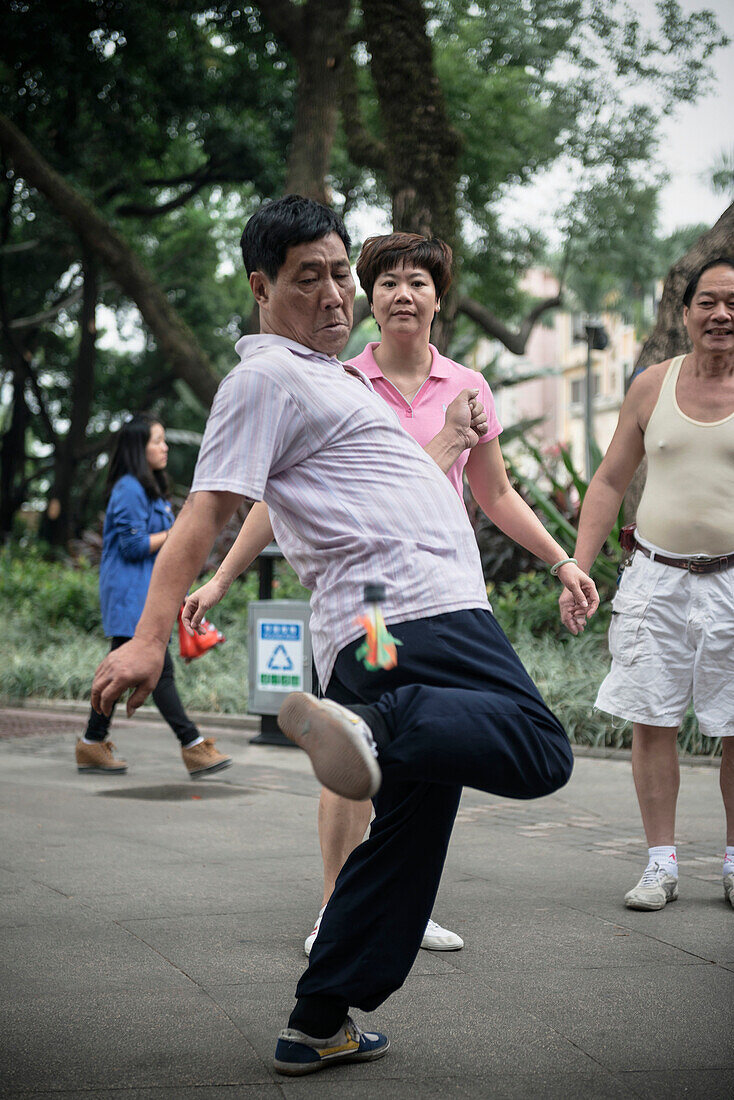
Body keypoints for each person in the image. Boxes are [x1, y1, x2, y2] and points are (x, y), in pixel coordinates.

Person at [91, 196, 599, 1076]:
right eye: (309, 278)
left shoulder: (343, 383)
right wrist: (152, 634)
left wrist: (540, 543)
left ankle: (318, 1016)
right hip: (414, 608)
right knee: (537, 747)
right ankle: (379, 726)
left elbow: (362, 495)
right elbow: (219, 506)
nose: (336, 295)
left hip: (369, 624)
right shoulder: (268, 378)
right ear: (261, 286)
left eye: (338, 275)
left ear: (437, 297)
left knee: (402, 837)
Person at [183, 230, 594, 963]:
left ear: (440, 298)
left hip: (445, 589)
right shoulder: (335, 380)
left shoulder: (468, 388)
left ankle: (398, 903)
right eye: (389, 283)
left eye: (419, 283)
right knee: (368, 738)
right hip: (370, 596)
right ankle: (336, 904)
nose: (403, 294)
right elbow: (273, 500)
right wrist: (220, 576)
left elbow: (495, 493)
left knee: (427, 748)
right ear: (369, 298)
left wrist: (561, 558)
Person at [559, 257, 734, 913]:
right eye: (708, 302)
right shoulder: (650, 386)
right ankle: (660, 864)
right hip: (655, 582)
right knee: (651, 721)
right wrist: (577, 565)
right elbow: (607, 481)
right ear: (686, 313)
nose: (721, 315)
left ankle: (733, 861)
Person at [76, 414, 232, 778]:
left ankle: (92, 742)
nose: (164, 447)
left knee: (121, 671)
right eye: (157, 441)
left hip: (145, 595)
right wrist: (181, 531)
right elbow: (132, 546)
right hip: (132, 596)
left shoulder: (147, 488)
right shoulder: (129, 488)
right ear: (138, 447)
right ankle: (192, 744)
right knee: (157, 671)